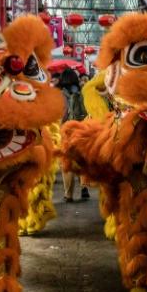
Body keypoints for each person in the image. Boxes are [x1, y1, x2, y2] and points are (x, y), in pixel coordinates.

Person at [59, 67, 89, 202]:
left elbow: (62, 114)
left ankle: (68, 194)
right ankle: (84, 186)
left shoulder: (60, 95)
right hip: (81, 130)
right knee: (81, 160)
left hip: (66, 131)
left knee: (67, 162)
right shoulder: (82, 92)